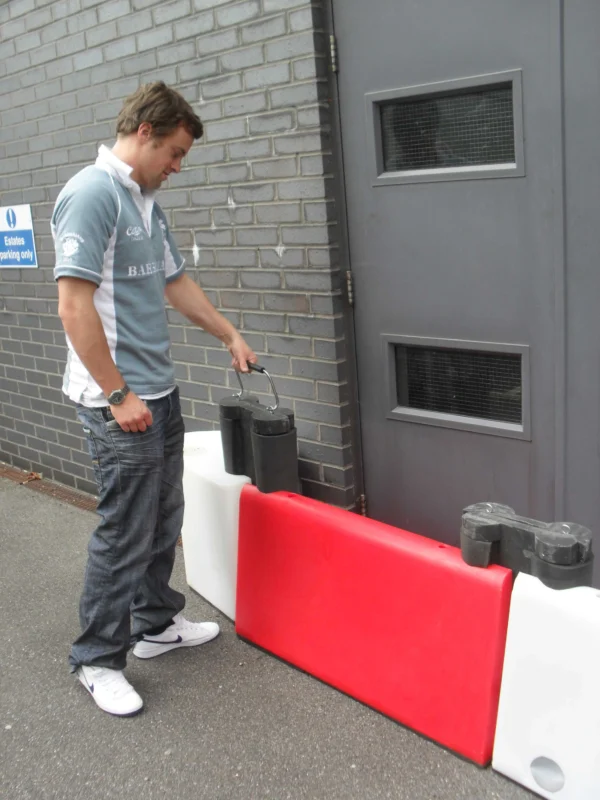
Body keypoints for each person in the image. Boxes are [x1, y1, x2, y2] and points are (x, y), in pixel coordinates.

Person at [52, 82, 256, 717]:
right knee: (125, 531)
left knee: (164, 519)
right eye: (173, 152)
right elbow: (72, 305)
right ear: (144, 131)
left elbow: (174, 281)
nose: (176, 166)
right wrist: (117, 394)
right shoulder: (92, 194)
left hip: (157, 396)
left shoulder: (144, 201)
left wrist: (229, 333)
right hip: (118, 402)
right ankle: (95, 658)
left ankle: (155, 624)